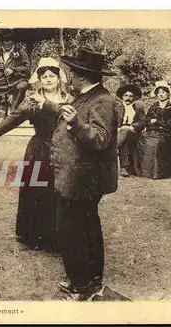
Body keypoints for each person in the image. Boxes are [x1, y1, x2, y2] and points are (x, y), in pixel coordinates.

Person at [0, 57, 72, 251]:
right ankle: (34, 235)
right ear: (38, 79)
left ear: (59, 78)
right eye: (44, 76)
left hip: (62, 149)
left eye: (51, 76)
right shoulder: (31, 99)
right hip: (38, 149)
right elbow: (14, 117)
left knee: (59, 190)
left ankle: (57, 236)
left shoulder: (69, 98)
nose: (48, 80)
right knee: (36, 189)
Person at [48, 46, 119, 301]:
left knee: (72, 229)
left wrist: (76, 123)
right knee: (85, 227)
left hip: (83, 179)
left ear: (81, 75)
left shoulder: (102, 100)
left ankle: (80, 284)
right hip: (78, 176)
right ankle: (88, 279)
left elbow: (100, 139)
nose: (69, 75)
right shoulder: (87, 96)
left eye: (72, 71)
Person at [0, 29, 30, 125]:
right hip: (3, 80)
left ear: (13, 41)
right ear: (1, 42)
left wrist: (14, 70)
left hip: (18, 79)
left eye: (9, 41)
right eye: (5, 41)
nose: (7, 43)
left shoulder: (20, 52)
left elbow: (27, 68)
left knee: (21, 87)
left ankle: (13, 115)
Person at [136, 81, 171, 179]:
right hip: (152, 130)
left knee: (156, 142)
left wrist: (156, 121)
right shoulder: (154, 106)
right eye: (159, 92)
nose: (160, 94)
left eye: (163, 92)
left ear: (167, 94)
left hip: (167, 133)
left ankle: (157, 172)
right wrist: (151, 122)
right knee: (142, 139)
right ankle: (145, 171)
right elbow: (147, 119)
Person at [115, 84, 146, 177]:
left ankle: (113, 147)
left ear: (134, 98)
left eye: (130, 96)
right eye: (126, 96)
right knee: (124, 138)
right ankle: (124, 167)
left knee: (126, 132)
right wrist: (118, 128)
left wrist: (131, 127)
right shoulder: (117, 108)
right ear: (122, 97)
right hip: (120, 132)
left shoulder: (138, 109)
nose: (128, 98)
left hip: (133, 132)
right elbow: (112, 121)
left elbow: (142, 122)